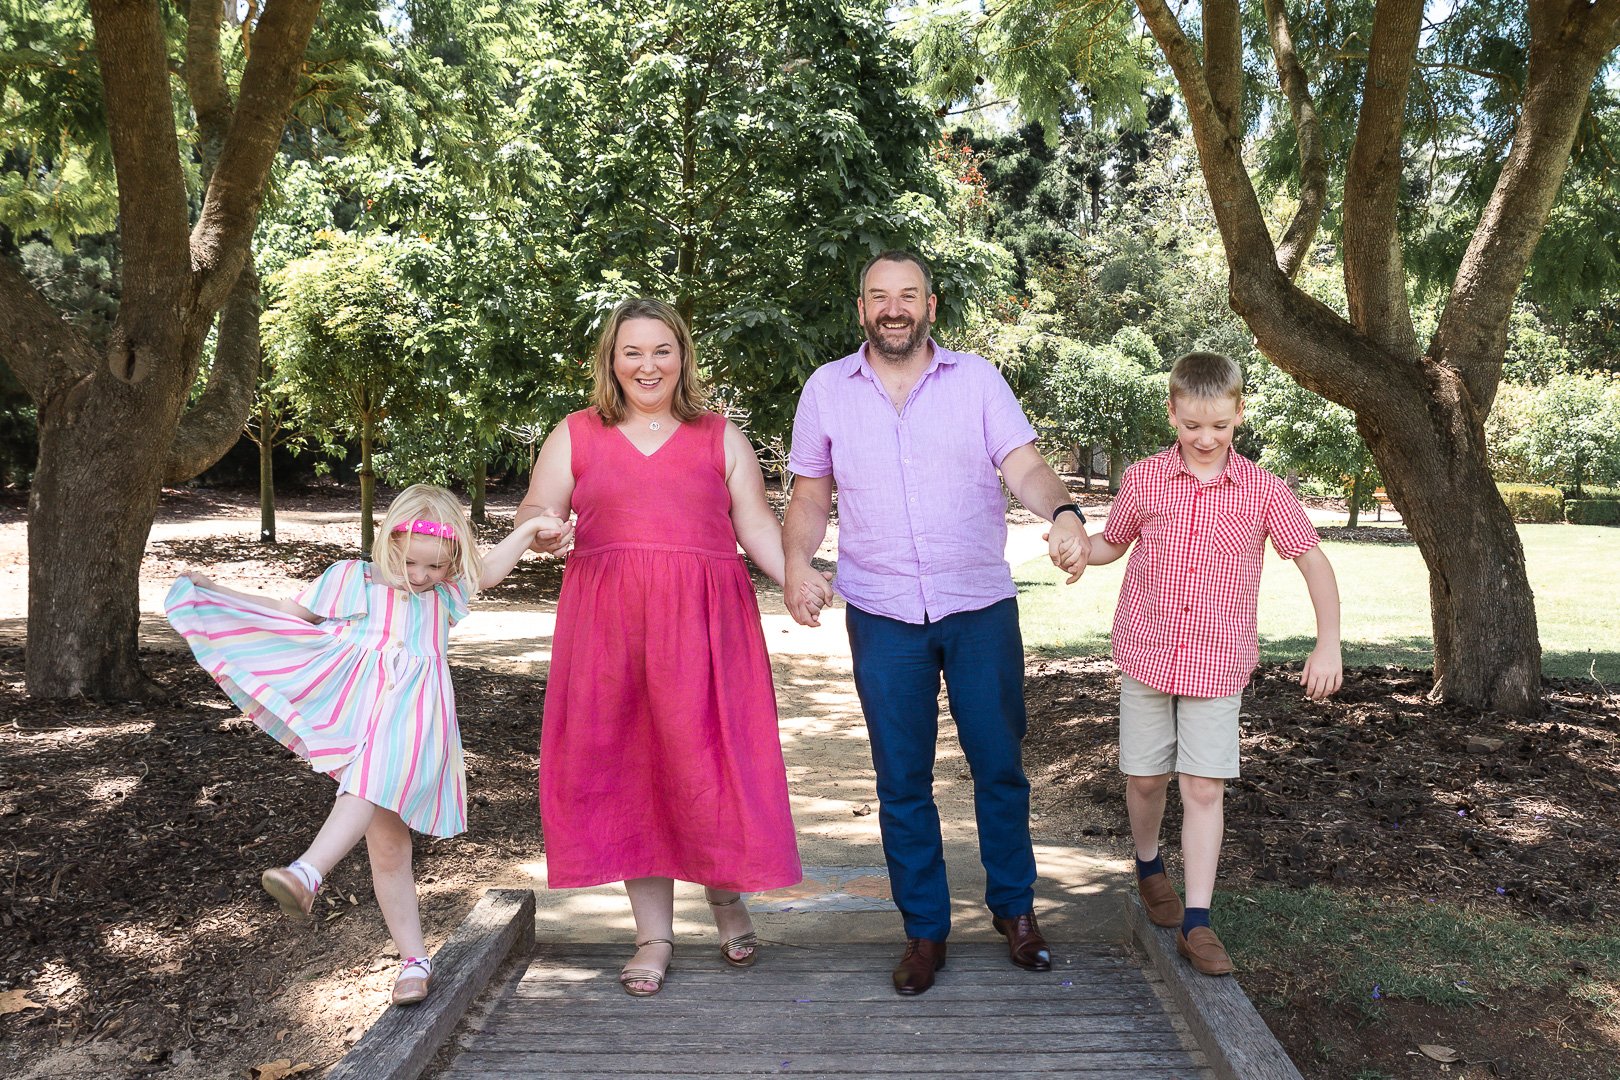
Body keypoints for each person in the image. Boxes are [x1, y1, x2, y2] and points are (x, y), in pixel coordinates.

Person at [781, 250, 1089, 997]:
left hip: (979, 605)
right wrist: (796, 564)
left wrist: (1065, 511)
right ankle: (924, 932)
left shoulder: (978, 381)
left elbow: (1024, 466)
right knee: (901, 781)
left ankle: (1016, 912)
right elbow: (812, 498)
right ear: (861, 309)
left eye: (908, 295)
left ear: (931, 305)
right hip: (883, 613)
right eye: (879, 295)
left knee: (999, 768)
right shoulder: (827, 390)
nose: (894, 308)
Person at [164, 484, 563, 1006]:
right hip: (359, 711)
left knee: (371, 787)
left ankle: (307, 873)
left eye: (437, 567)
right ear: (389, 542)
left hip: (415, 720)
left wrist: (530, 530)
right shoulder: (351, 579)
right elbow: (290, 612)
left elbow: (488, 570)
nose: (421, 577)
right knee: (390, 849)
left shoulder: (446, 593)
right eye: (412, 563)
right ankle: (415, 962)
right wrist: (220, 592)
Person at [517, 297, 804, 998]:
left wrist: (797, 574)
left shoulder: (719, 436)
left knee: (708, 760)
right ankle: (653, 937)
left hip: (707, 625)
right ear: (611, 361)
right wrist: (545, 524)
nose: (648, 365)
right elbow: (534, 508)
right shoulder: (576, 433)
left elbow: (758, 527)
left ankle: (726, 896)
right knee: (630, 771)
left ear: (683, 357)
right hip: (608, 629)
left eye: (662, 351)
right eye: (632, 352)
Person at [1073, 351, 1343, 976]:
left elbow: (1313, 561)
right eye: (1193, 424)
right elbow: (1111, 543)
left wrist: (1327, 641)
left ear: (1239, 414)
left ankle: (1198, 920)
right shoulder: (1143, 479)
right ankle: (1147, 864)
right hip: (1147, 653)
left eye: (1218, 425)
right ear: (1172, 413)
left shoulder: (1264, 490)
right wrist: (1077, 549)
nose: (1205, 438)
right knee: (1145, 780)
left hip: (1219, 666)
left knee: (1201, 785)